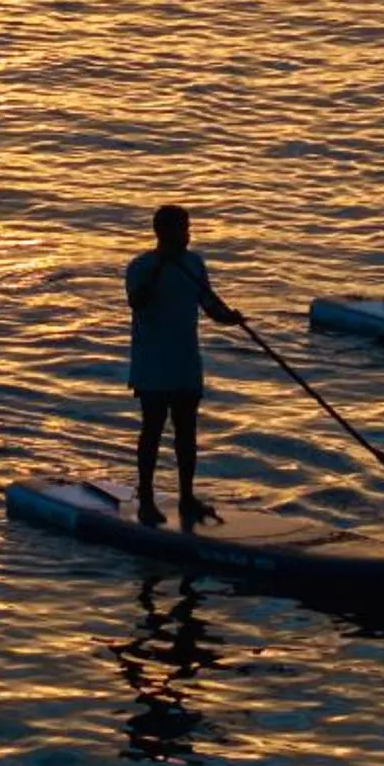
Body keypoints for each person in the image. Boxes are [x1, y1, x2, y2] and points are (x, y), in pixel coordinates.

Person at [124, 202, 239, 527]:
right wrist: (162, 266)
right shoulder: (141, 266)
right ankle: (146, 498)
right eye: (182, 229)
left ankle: (187, 497)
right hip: (153, 365)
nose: (188, 235)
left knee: (187, 433)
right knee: (153, 430)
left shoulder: (194, 264)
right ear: (165, 233)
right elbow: (137, 301)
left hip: (187, 362)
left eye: (188, 228)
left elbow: (208, 302)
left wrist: (228, 317)